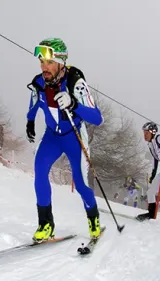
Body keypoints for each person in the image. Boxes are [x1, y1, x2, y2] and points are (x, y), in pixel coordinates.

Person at [26, 38, 104, 242]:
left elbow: (97, 117)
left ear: (61, 62)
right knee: (40, 172)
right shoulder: (39, 82)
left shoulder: (75, 82)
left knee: (79, 183)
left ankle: (93, 219)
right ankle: (45, 224)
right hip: (52, 137)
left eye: (49, 62)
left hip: (73, 137)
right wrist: (30, 121)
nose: (44, 67)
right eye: (41, 61)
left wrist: (74, 105)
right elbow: (34, 102)